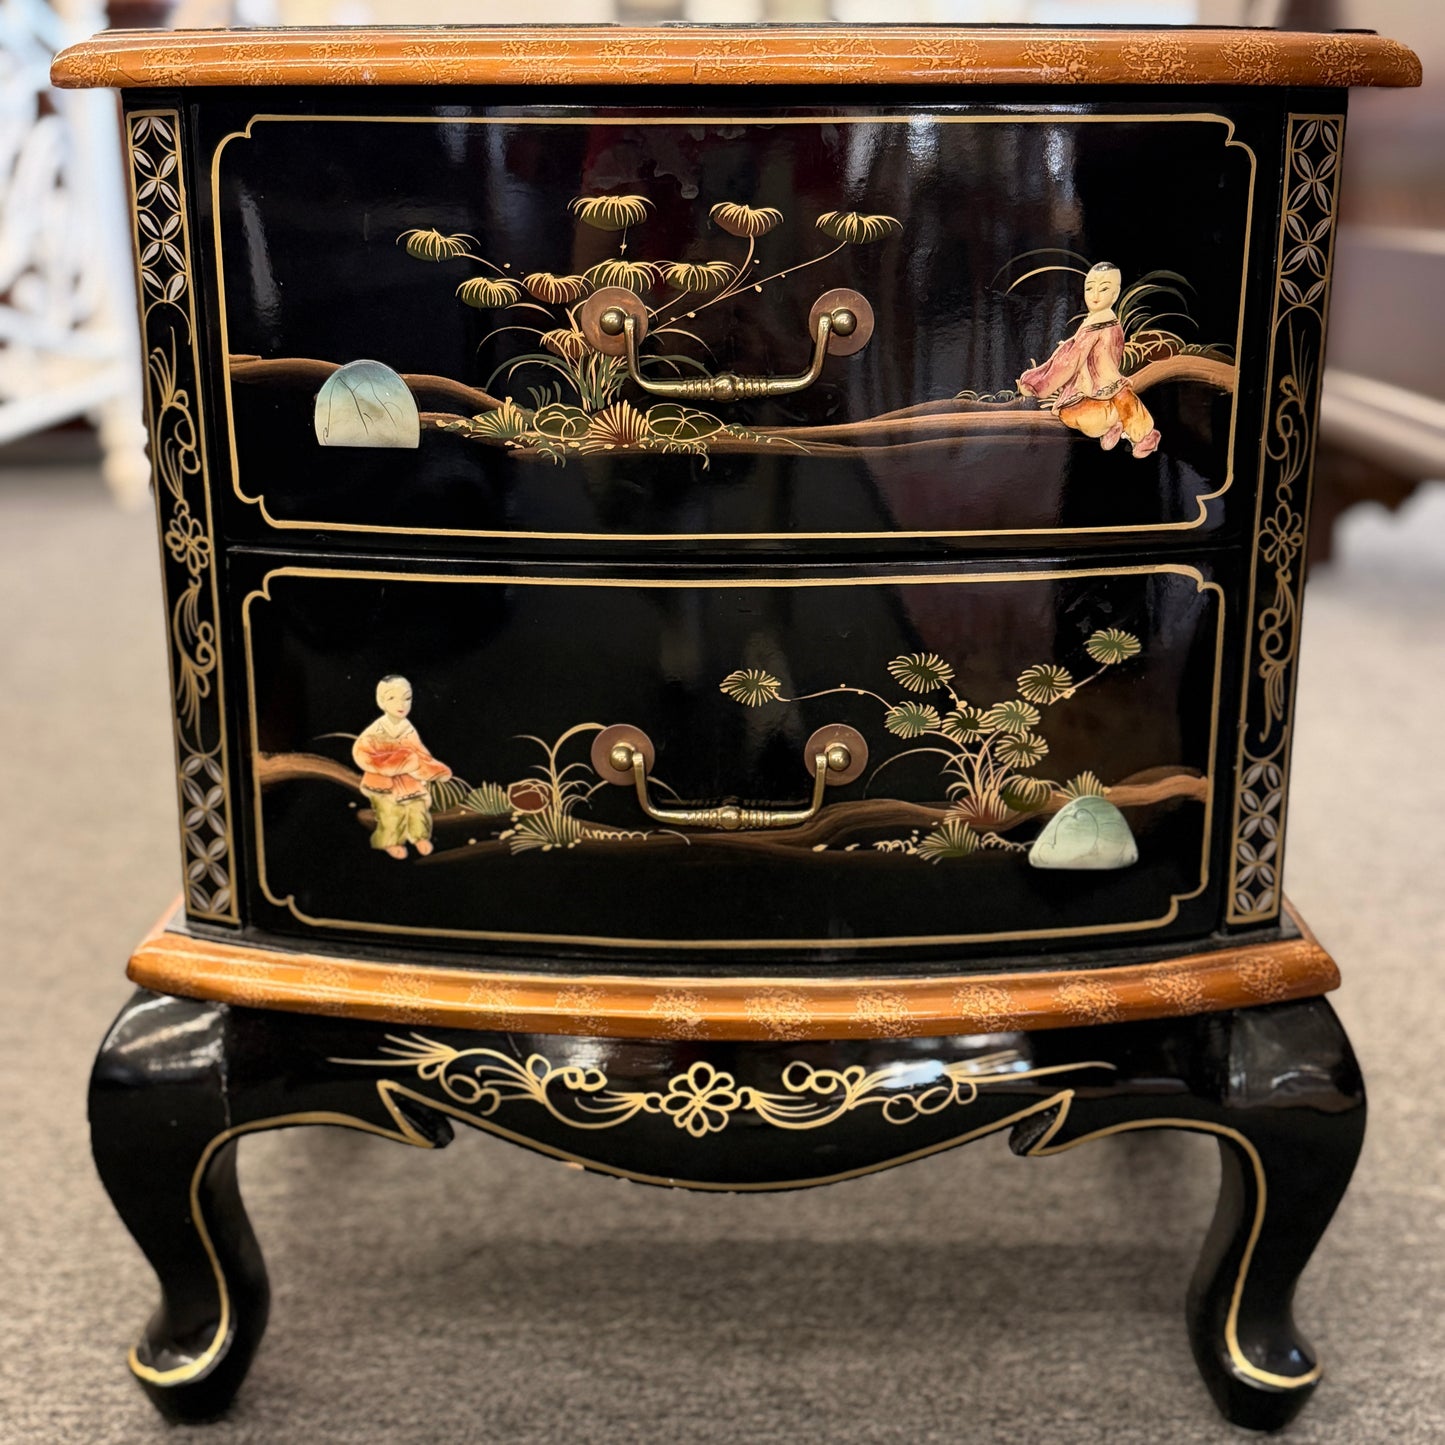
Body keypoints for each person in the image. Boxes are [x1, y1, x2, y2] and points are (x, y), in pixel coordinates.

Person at [1017, 262, 1161, 459]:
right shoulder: (1111, 324)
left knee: (1080, 414)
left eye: (1103, 289)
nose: (1094, 296)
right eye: (1089, 288)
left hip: (1095, 392)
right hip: (1104, 392)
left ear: (1115, 294)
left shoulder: (1097, 326)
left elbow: (1069, 362)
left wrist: (1037, 384)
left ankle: (1117, 427)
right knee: (1123, 402)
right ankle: (1132, 431)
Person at [352, 676, 452, 860]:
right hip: (382, 780)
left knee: (417, 807)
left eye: (407, 698)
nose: (402, 704)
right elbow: (362, 752)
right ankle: (390, 841)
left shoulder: (408, 729)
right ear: (381, 701)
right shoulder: (375, 731)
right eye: (392, 698)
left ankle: (419, 836)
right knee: (390, 812)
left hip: (408, 780)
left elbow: (421, 753)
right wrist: (385, 765)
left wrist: (434, 770)